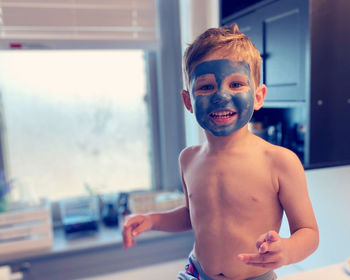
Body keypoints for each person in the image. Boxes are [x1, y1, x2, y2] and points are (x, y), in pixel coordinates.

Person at [122, 24, 319, 280]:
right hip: (196, 272)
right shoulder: (188, 159)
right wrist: (152, 220)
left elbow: (309, 232)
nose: (221, 96)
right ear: (188, 102)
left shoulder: (279, 162)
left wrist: (288, 250)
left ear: (258, 96)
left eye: (236, 84)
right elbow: (195, 216)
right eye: (205, 87)